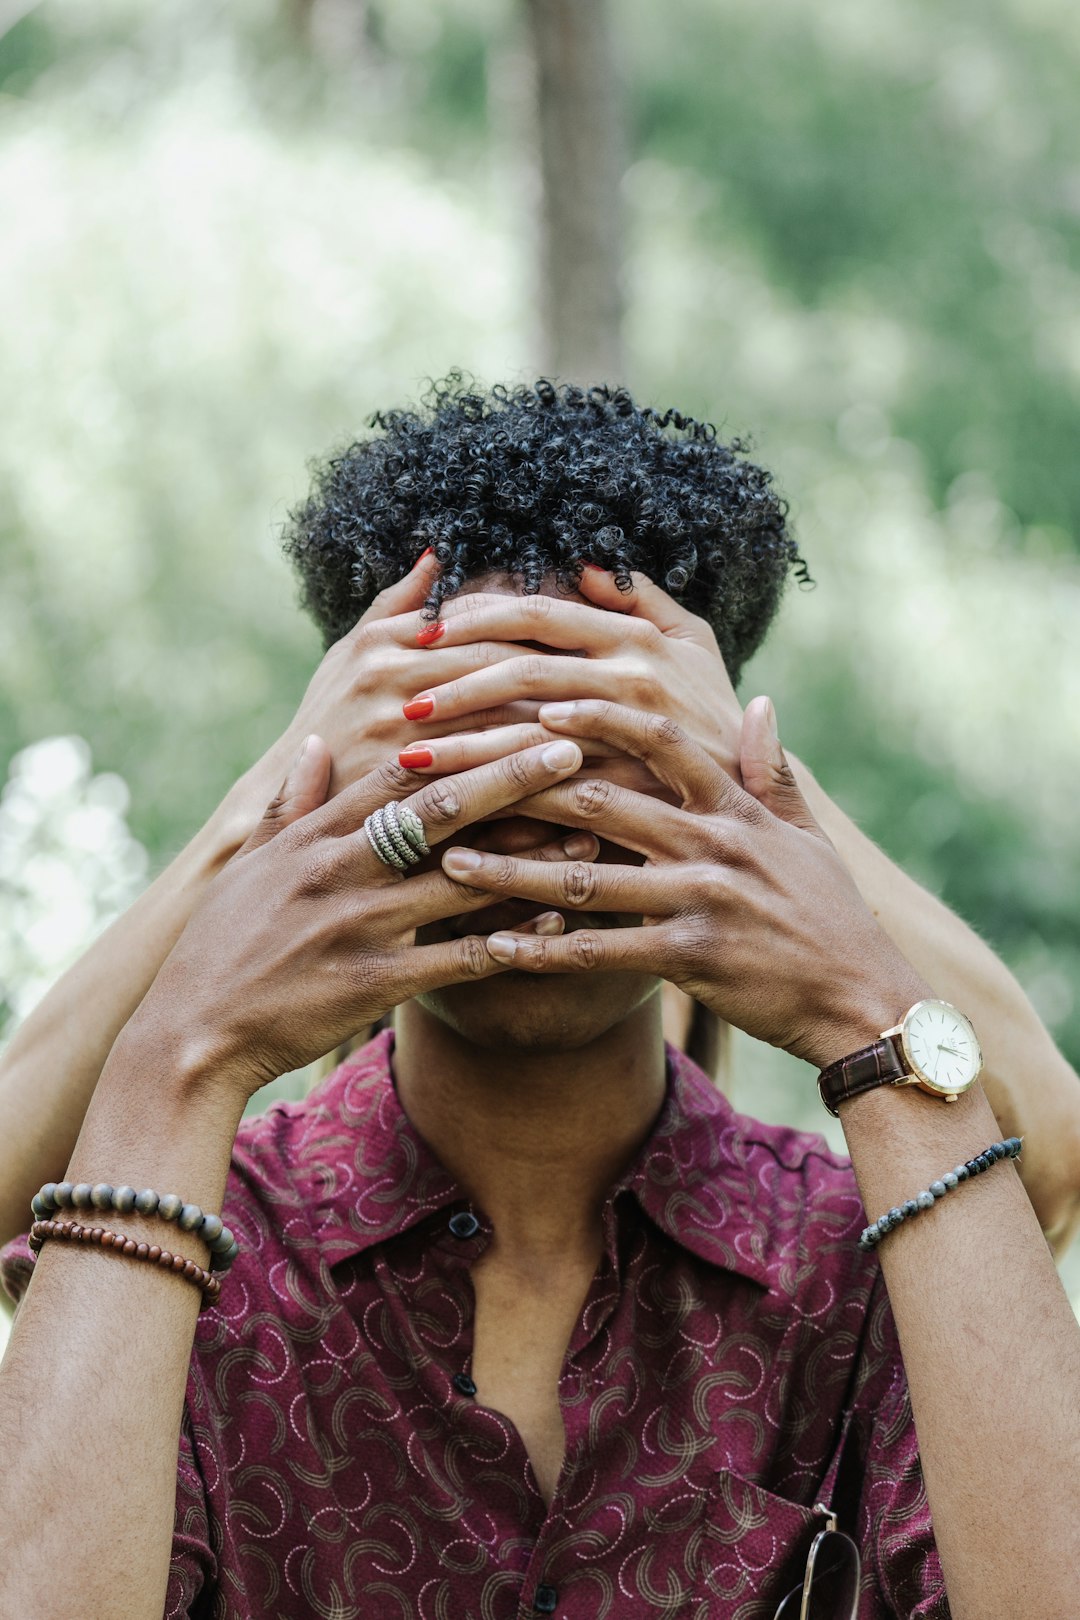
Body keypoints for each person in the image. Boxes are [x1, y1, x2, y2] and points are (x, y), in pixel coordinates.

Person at [0, 378, 1078, 1617]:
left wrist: (812, 896)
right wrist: (191, 1037)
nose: (525, 816)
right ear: (344, 767)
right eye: (465, 745)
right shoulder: (183, 1230)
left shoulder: (867, 1255)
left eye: (595, 745)